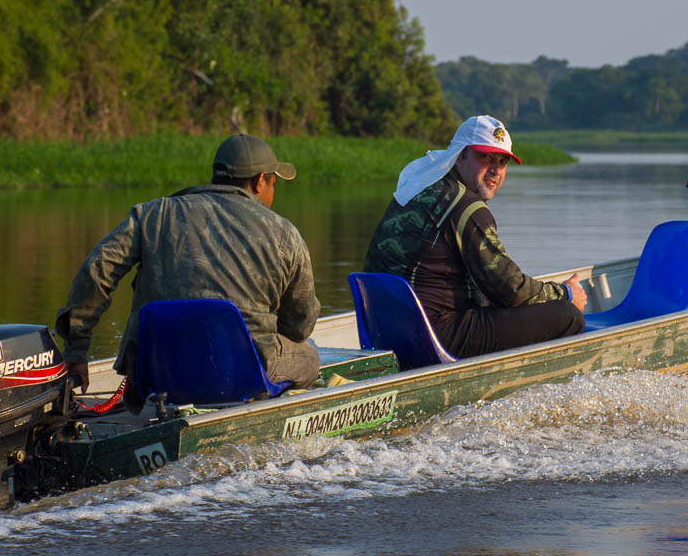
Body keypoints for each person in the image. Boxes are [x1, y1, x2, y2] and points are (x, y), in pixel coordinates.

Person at [55, 134, 321, 409]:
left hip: (156, 371)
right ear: (259, 181)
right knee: (310, 357)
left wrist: (76, 351)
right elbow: (300, 324)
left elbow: (97, 270)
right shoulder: (285, 234)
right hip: (241, 375)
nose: (273, 193)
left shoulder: (153, 215)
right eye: (273, 183)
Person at [363, 115, 586, 358]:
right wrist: (566, 293)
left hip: (386, 334)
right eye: (485, 157)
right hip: (435, 336)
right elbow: (510, 289)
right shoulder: (467, 208)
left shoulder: (418, 190)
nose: (495, 170)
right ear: (460, 157)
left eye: (502, 162)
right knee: (567, 316)